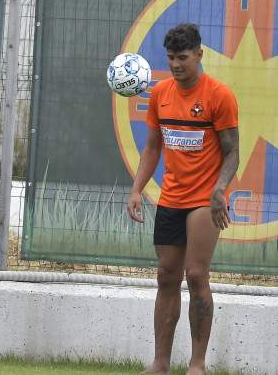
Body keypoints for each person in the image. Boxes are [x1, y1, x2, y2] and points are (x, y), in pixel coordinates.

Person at [126, 23, 239, 375]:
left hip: (205, 200)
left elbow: (233, 151)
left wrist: (220, 189)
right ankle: (160, 362)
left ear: (200, 55)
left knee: (195, 275)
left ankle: (197, 364)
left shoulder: (219, 95)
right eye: (171, 57)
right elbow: (153, 146)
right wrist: (136, 188)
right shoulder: (160, 94)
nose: (176, 64)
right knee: (166, 275)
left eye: (183, 57)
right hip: (171, 198)